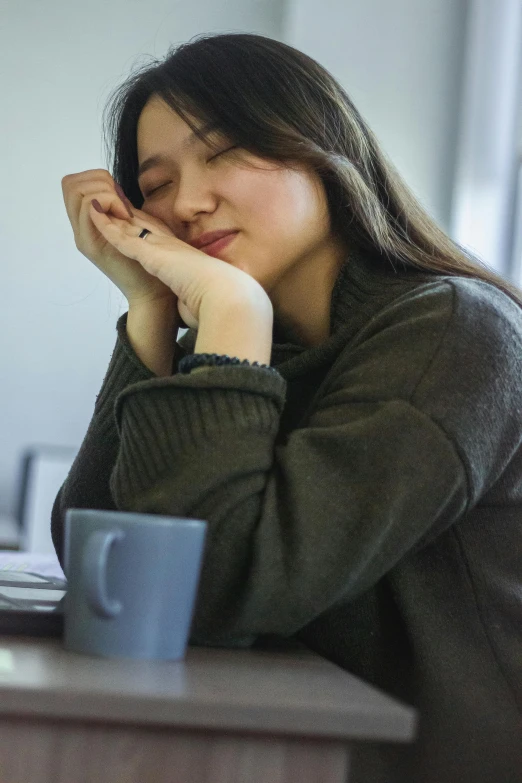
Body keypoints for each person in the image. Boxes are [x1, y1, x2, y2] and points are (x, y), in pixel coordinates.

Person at [52, 32, 522, 783]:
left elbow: (227, 592)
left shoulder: (454, 331)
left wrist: (231, 310)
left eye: (225, 151)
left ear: (323, 151)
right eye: (157, 182)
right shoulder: (262, 348)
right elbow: (98, 562)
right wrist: (149, 312)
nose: (189, 202)